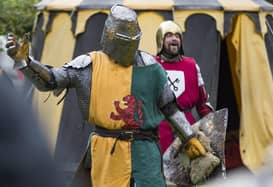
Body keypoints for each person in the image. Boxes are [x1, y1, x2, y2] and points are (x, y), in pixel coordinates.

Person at [5, 5, 206, 187]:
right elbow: (51, 80)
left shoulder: (152, 67)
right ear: (110, 36)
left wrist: (189, 138)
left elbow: (170, 107)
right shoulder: (89, 65)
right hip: (106, 151)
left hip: (145, 151)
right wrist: (27, 63)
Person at [155, 20, 214, 154]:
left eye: (177, 35)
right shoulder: (151, 65)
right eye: (169, 35)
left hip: (189, 130)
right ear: (160, 39)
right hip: (159, 132)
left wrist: (211, 125)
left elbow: (203, 103)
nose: (174, 38)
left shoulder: (191, 65)